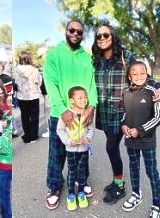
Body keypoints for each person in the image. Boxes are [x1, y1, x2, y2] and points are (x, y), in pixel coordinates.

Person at [91, 24, 160, 204]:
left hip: (121, 111)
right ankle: (117, 180)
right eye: (98, 36)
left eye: (105, 34)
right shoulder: (96, 59)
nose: (102, 38)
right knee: (113, 148)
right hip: (104, 112)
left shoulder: (125, 56)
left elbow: (143, 74)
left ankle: (120, 185)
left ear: (113, 36)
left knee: (110, 147)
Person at [43, 20, 98, 209]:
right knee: (57, 153)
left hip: (83, 113)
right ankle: (54, 185)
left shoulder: (87, 58)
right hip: (61, 113)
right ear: (65, 31)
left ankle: (81, 182)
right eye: (71, 30)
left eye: (79, 31)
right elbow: (50, 83)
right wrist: (62, 108)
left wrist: (92, 106)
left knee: (81, 148)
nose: (75, 33)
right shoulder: (53, 55)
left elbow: (92, 83)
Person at [120, 62, 160, 217]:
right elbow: (124, 113)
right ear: (129, 76)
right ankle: (136, 195)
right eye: (135, 73)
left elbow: (159, 117)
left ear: (147, 75)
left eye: (142, 73)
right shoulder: (125, 92)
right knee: (133, 167)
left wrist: (139, 131)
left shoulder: (153, 92)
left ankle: (157, 204)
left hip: (147, 141)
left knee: (151, 171)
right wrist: (123, 125)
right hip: (130, 140)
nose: (139, 76)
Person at [57, 86, 94, 211]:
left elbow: (90, 129)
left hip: (83, 149)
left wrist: (87, 138)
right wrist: (68, 141)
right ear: (72, 100)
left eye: (85, 97)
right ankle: (71, 195)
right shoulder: (66, 115)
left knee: (82, 172)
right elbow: (60, 130)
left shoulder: (86, 113)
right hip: (71, 150)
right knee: (72, 172)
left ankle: (81, 193)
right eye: (80, 98)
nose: (84, 100)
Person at [14, 52, 42, 144]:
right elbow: (39, 82)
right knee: (34, 117)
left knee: (24, 116)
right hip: (33, 95)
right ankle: (34, 136)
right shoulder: (34, 70)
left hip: (22, 96)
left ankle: (27, 136)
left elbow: (16, 83)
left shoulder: (16, 70)